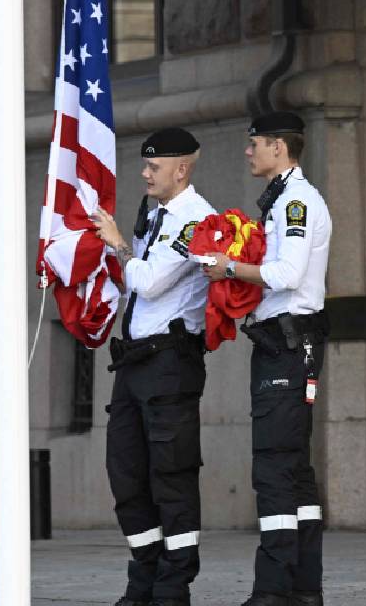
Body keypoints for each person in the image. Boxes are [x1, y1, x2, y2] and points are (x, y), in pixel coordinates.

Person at [202, 111, 333, 606]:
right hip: (281, 344)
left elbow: (287, 273)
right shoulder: (282, 200)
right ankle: (303, 589)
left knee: (276, 467)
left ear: (279, 147)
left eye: (255, 142)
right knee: (293, 469)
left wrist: (228, 266)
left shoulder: (296, 201)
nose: (248, 150)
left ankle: (275, 590)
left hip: (289, 345)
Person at [92, 127, 217, 606]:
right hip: (136, 361)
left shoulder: (194, 220)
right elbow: (130, 286)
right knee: (125, 471)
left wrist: (120, 244)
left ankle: (172, 587)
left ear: (181, 168)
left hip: (170, 362)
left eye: (153, 166)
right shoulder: (158, 216)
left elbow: (149, 282)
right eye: (144, 165)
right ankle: (143, 579)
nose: (144, 174)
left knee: (171, 474)